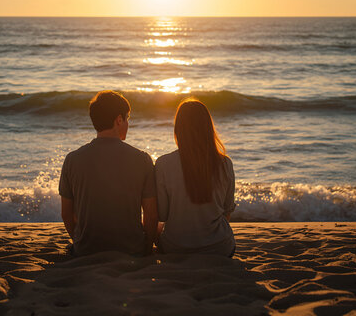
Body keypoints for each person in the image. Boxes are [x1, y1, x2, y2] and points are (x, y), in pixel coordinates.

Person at [59, 90, 158, 256]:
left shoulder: (72, 159)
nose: (128, 124)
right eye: (128, 119)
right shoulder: (142, 160)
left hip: (86, 249)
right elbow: (151, 214)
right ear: (119, 120)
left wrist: (79, 242)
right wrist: (147, 247)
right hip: (131, 249)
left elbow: (66, 214)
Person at [155, 98, 236, 257]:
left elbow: (162, 215)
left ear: (178, 129)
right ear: (208, 128)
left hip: (176, 248)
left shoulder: (163, 163)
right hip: (220, 247)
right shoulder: (225, 163)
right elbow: (227, 211)